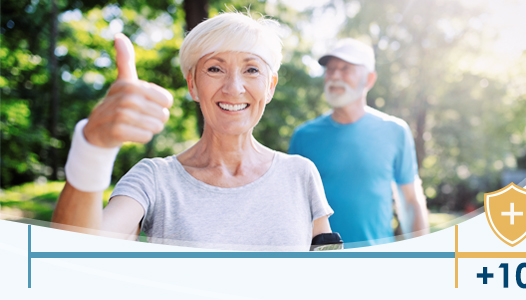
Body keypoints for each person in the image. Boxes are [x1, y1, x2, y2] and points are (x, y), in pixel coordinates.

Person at [51, 12, 336, 251]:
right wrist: (93, 148)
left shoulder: (301, 173)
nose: (234, 88)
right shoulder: (153, 180)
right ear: (193, 85)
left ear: (270, 86)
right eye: (215, 69)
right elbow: (77, 254)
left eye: (251, 70)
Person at [289, 38, 429, 248]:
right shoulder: (303, 136)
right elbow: (293, 209)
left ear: (369, 79)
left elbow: (410, 202)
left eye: (345, 69)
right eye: (330, 69)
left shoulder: (395, 131)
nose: (334, 76)